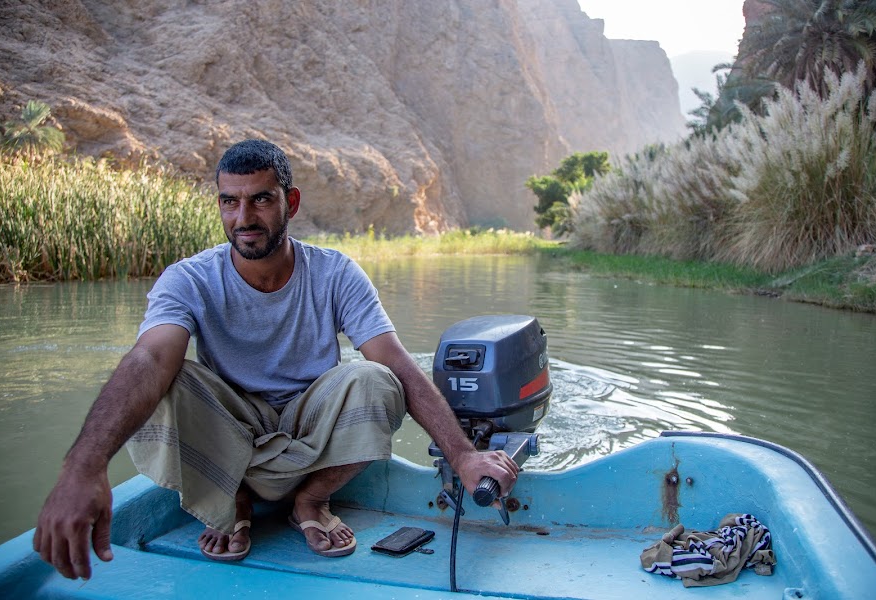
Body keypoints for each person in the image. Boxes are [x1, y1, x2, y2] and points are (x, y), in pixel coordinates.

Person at [32, 139, 519, 580]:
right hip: (233, 423)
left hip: (310, 419)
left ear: (291, 202)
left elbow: (394, 360)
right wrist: (83, 467)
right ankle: (233, 498)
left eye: (261, 199)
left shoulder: (334, 272)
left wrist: (462, 454)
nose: (243, 217)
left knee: (376, 379)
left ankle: (311, 498)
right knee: (164, 379)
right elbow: (150, 358)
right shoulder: (189, 279)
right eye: (230, 201)